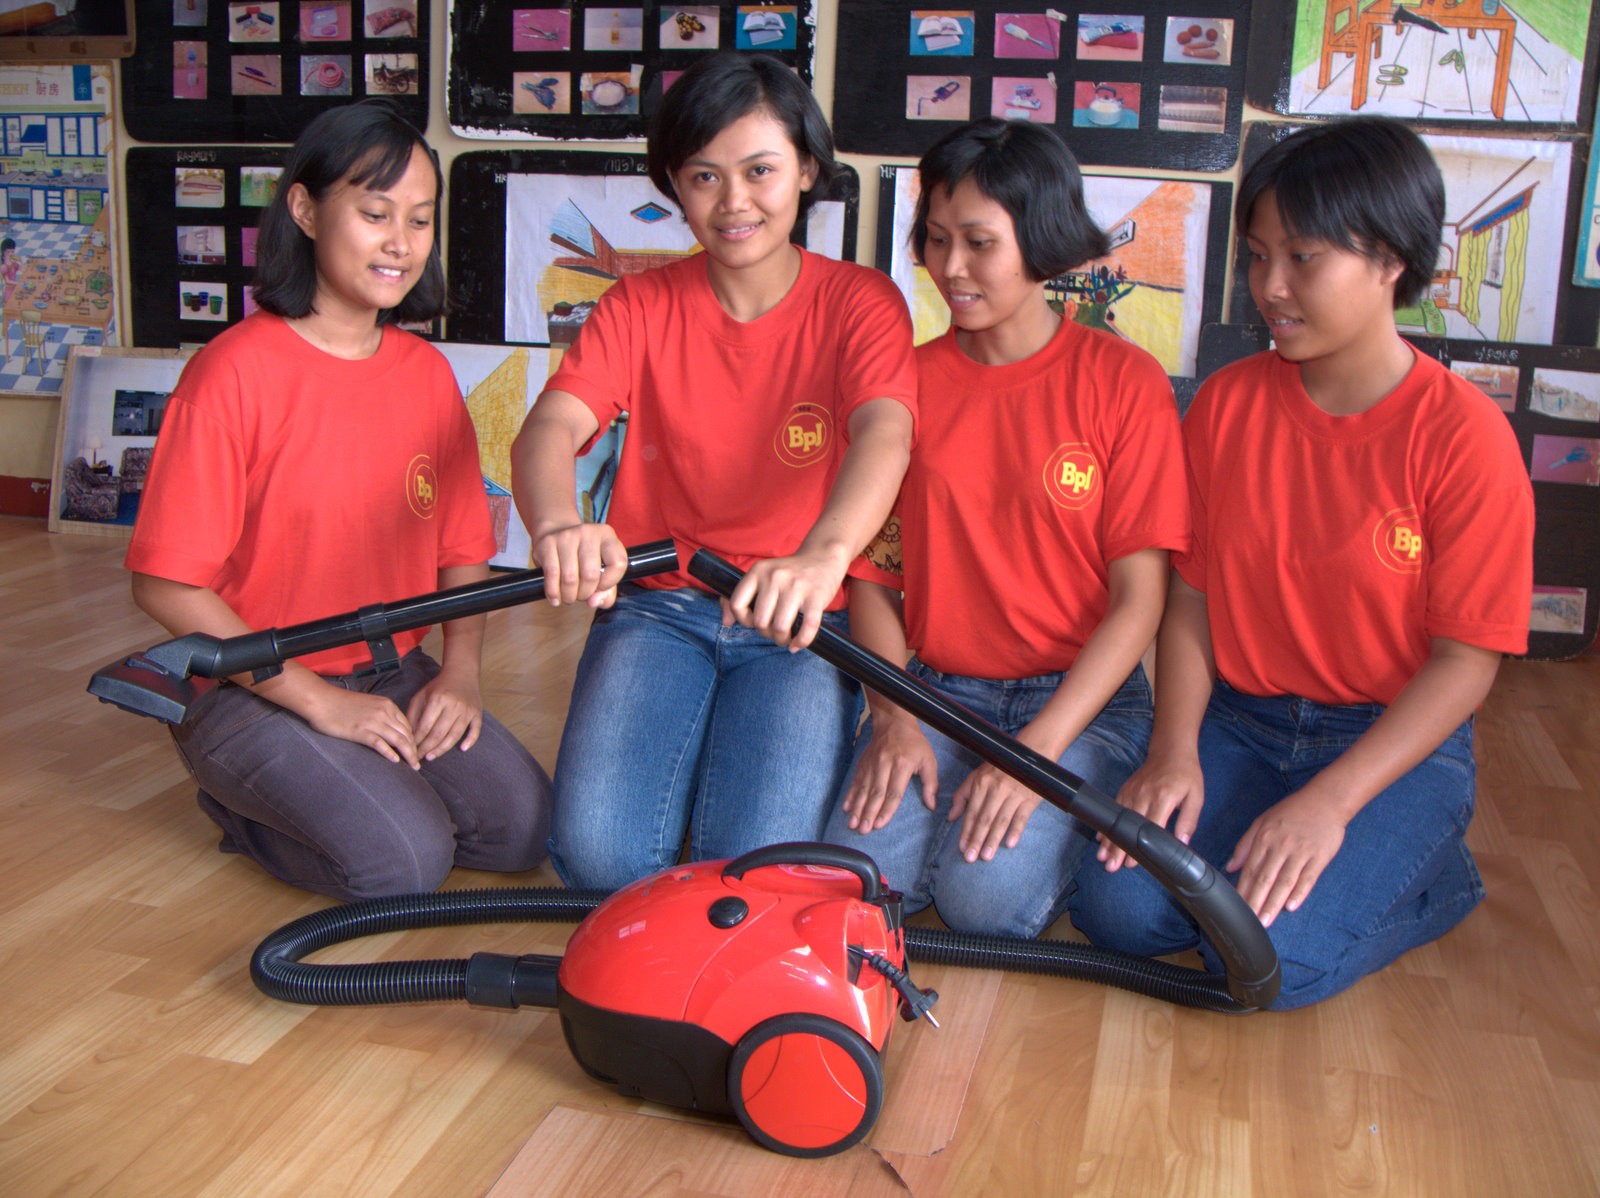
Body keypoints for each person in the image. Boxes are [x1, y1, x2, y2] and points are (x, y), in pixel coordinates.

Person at [1071, 116, 1535, 1008]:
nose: (1270, 287)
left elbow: (1465, 663)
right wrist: (1173, 751)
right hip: (1242, 722)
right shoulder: (1226, 407)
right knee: (1116, 913)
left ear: (1391, 259)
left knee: (1265, 965)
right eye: (1258, 257)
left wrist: (1331, 803)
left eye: (1303, 259)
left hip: (1387, 740)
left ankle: (1440, 877)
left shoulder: (1466, 439)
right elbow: (1191, 601)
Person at [510, 52, 917, 892]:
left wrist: (822, 557)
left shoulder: (862, 301)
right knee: (599, 861)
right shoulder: (638, 303)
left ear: (806, 169)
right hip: (657, 608)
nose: (733, 202)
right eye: (703, 176)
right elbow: (551, 425)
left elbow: (885, 430)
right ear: (675, 185)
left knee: (755, 870)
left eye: (760, 170)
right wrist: (556, 524)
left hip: (798, 625)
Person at [125, 100, 552, 900]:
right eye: (375, 213)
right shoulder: (232, 374)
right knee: (405, 864)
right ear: (305, 209)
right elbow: (165, 583)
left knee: (519, 830)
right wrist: (316, 701)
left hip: (393, 670)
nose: (401, 243)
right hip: (248, 686)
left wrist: (461, 674)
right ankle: (241, 808)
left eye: (419, 220)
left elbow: (463, 547)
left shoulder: (425, 375)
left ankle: (356, 787)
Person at [822, 119, 1187, 937]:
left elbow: (1141, 599)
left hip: (1081, 704)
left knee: (980, 904)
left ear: (1043, 241)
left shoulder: (1125, 381)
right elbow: (873, 581)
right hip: (935, 692)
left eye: (979, 243)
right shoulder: (904, 385)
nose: (950, 267)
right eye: (936, 238)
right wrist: (895, 718)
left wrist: (1036, 753)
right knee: (855, 888)